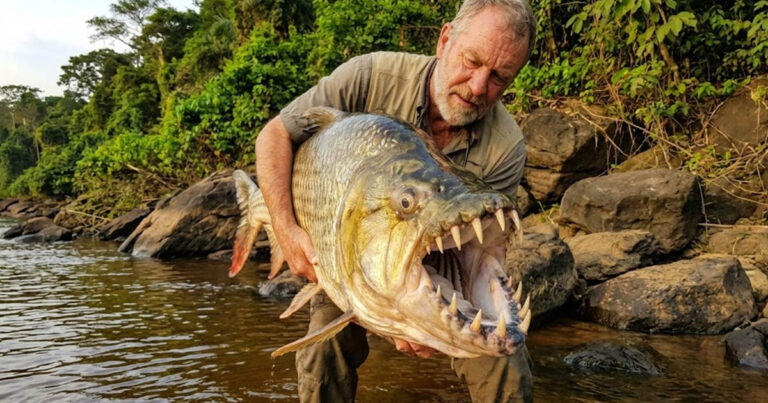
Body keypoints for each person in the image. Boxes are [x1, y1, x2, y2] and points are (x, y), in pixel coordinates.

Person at [254, 0, 536, 401]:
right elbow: (275, 134)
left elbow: (482, 250)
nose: (478, 87)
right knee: (324, 350)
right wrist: (285, 228)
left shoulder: (506, 146)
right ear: (444, 40)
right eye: (471, 61)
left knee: (506, 358)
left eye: (499, 78)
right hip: (343, 252)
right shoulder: (369, 76)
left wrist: (418, 318)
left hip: (431, 265)